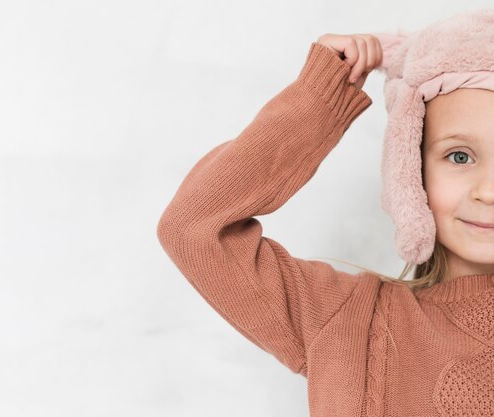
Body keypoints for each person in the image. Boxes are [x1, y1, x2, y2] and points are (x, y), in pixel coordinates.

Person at [156, 9, 494, 416]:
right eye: (459, 156)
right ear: (410, 168)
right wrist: (318, 98)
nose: (488, 192)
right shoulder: (348, 319)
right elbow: (195, 229)